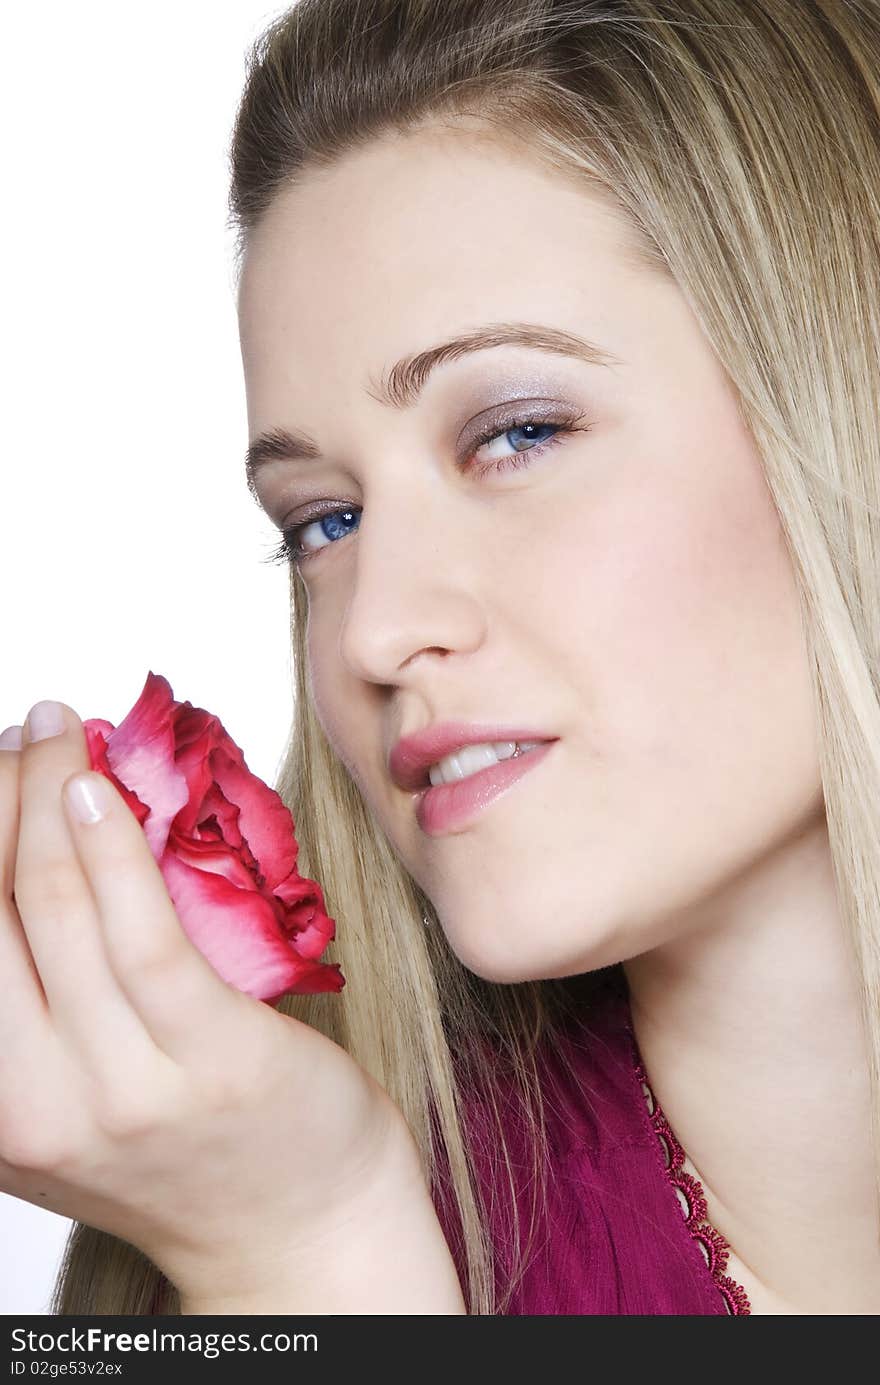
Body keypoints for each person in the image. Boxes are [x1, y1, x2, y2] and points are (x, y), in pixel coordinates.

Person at [3, 0, 878, 1315]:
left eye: (517, 432)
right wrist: (300, 1254)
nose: (367, 629)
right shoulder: (249, 1203)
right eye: (326, 521)